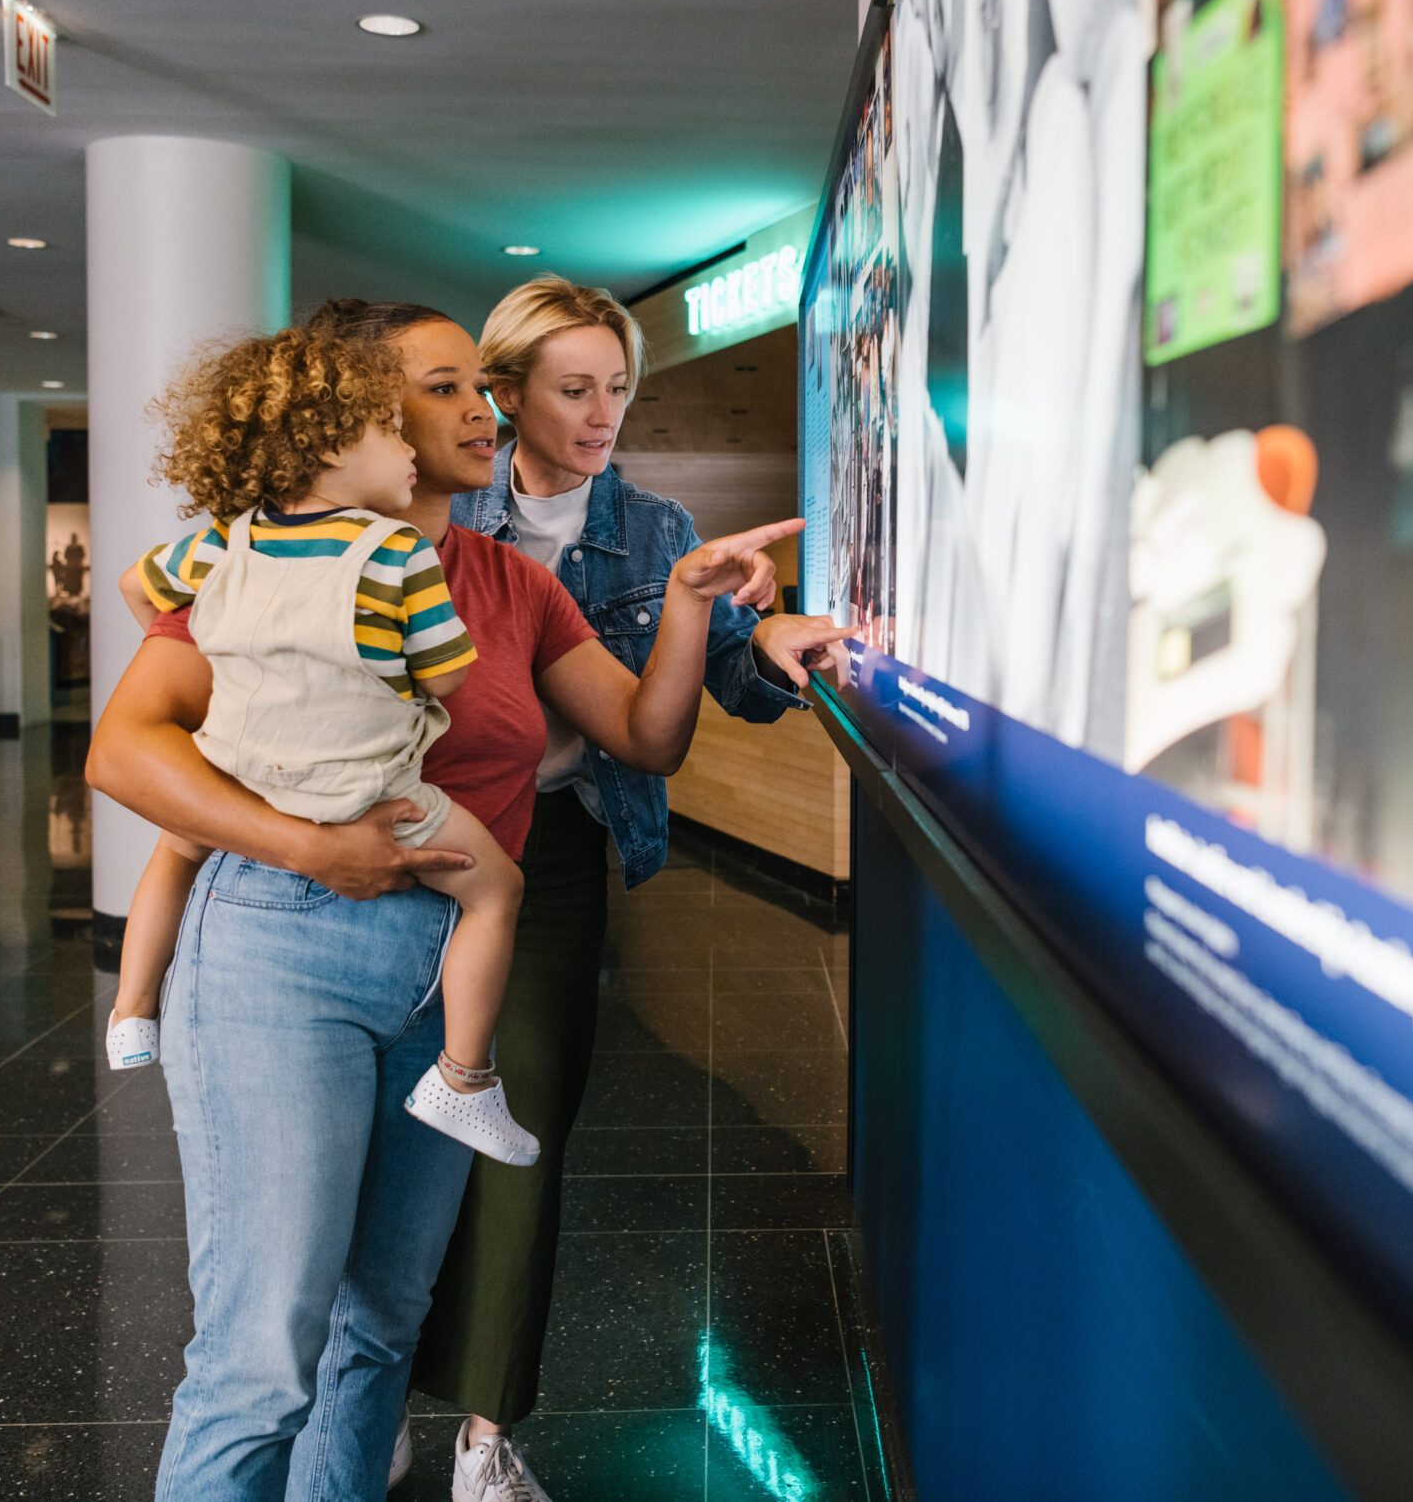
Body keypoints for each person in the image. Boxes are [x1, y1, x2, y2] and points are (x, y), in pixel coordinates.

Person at [84, 299, 820, 1502]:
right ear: (356, 417)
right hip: (281, 948)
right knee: (264, 1358)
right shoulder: (260, 557)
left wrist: (688, 602)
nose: (479, 411)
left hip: (441, 974)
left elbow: (643, 736)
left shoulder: (506, 583)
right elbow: (125, 752)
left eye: (479, 386)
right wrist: (307, 845)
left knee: (379, 1328)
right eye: (442, 390)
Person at [402, 275, 847, 1501]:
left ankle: (486, 1438)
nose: (603, 413)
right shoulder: (429, 510)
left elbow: (701, 685)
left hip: (548, 851)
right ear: (505, 392)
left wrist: (764, 638)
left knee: (515, 1128)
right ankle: (373, 1382)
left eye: (619, 388)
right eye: (574, 388)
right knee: (380, 1123)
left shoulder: (653, 529)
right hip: (413, 840)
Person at [102, 323, 536, 1165]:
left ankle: (129, 1008)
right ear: (336, 441)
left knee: (172, 852)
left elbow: (135, 587)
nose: (410, 443)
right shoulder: (396, 549)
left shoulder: (232, 540)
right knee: (499, 891)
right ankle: (465, 1075)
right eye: (395, 421)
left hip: (245, 773)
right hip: (359, 800)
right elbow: (446, 677)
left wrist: (234, 647)